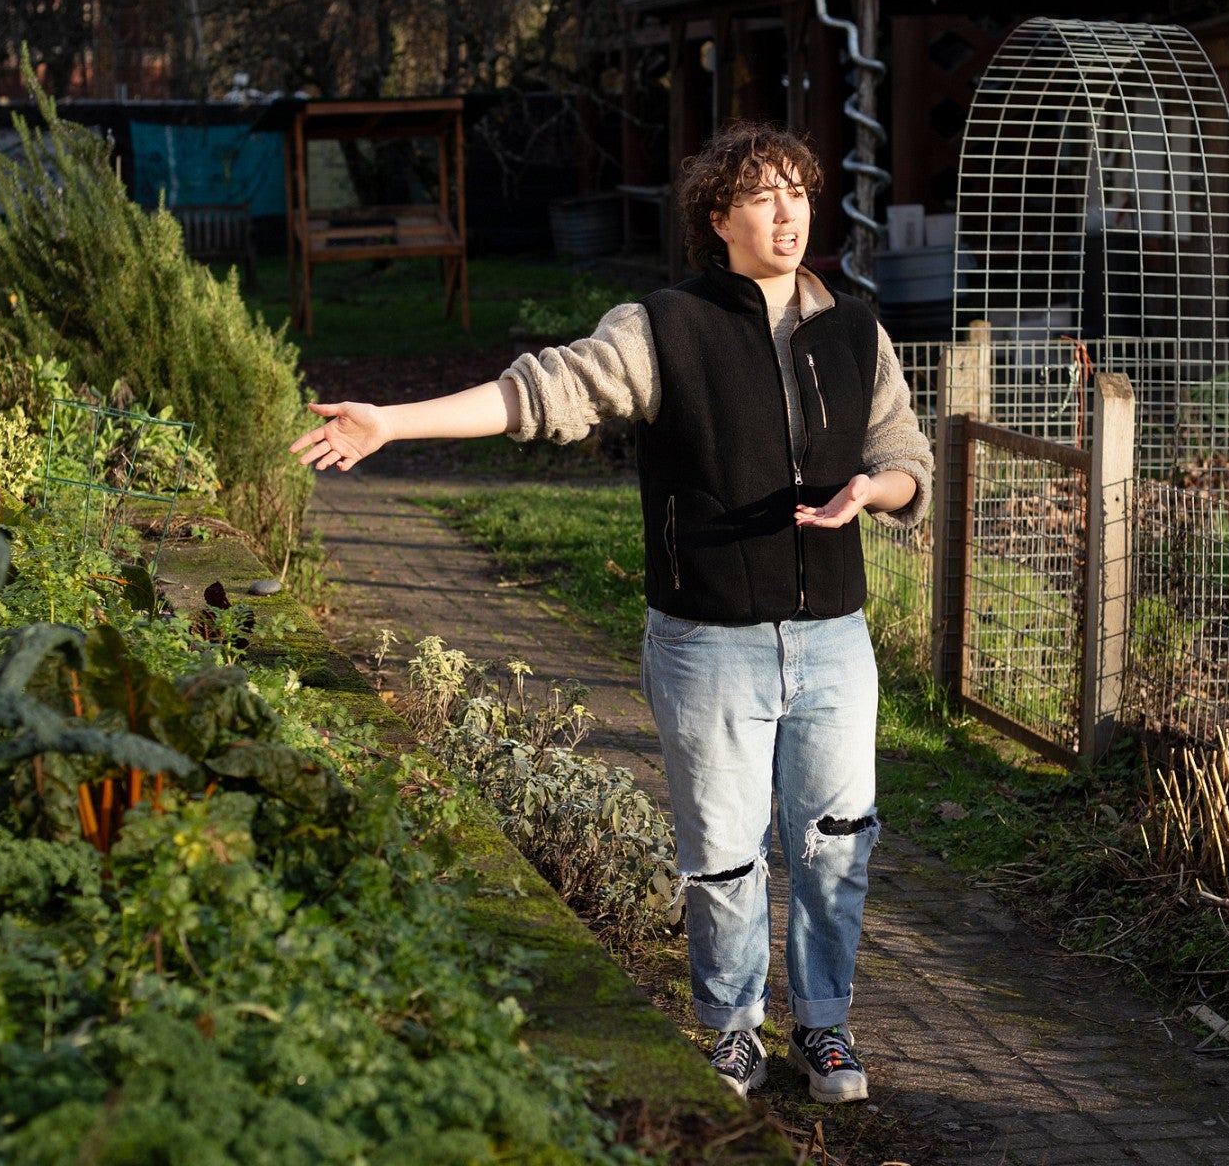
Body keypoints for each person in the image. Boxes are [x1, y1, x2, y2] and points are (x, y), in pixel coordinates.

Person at [290, 120, 933, 1104]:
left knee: (837, 841)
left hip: (835, 640)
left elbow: (906, 460)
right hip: (708, 643)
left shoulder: (855, 326)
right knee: (723, 859)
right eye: (762, 195)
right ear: (718, 217)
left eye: (799, 191)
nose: (786, 211)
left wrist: (871, 494)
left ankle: (826, 1027)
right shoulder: (663, 327)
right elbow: (542, 394)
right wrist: (395, 421)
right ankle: (730, 1032)